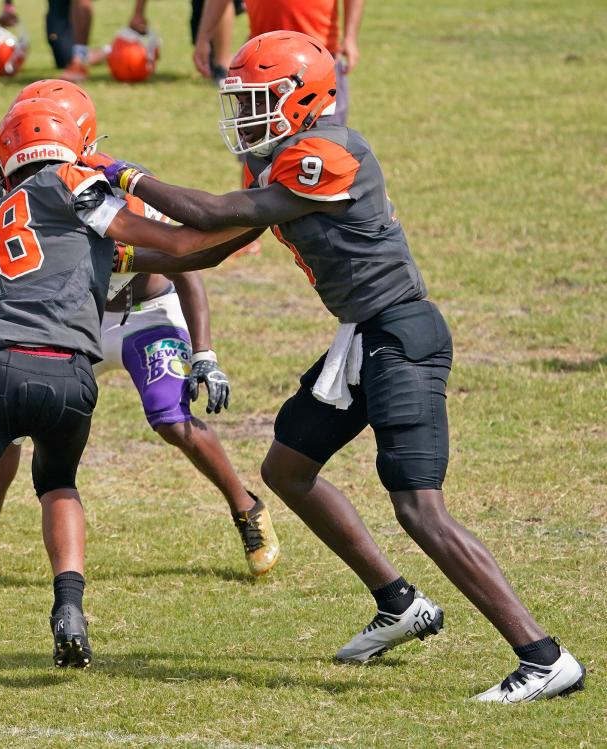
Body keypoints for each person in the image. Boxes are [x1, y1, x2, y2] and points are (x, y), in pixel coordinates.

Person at [94, 31, 587, 702]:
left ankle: (543, 657)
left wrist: (118, 170)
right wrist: (118, 256)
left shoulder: (327, 153)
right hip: (364, 335)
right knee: (287, 469)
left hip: (401, 335)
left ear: (304, 97)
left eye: (260, 101)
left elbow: (208, 211)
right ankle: (397, 602)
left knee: (419, 508)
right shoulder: (285, 164)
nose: (247, 116)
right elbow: (197, 248)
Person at [0, 97, 251, 706]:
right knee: (58, 484)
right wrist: (269, 208)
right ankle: (69, 610)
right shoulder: (71, 184)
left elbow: (32, 257)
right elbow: (189, 245)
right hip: (68, 374)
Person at [0, 80, 281, 580]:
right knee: (8, 425)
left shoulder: (116, 190)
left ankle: (246, 506)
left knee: (170, 416)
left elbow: (184, 260)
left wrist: (205, 351)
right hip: (74, 322)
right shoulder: (14, 194)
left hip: (144, 313)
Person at [193, 0, 363, 125]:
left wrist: (350, 36)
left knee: (323, 145)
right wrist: (204, 37)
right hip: (263, 65)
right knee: (256, 150)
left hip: (317, 64)